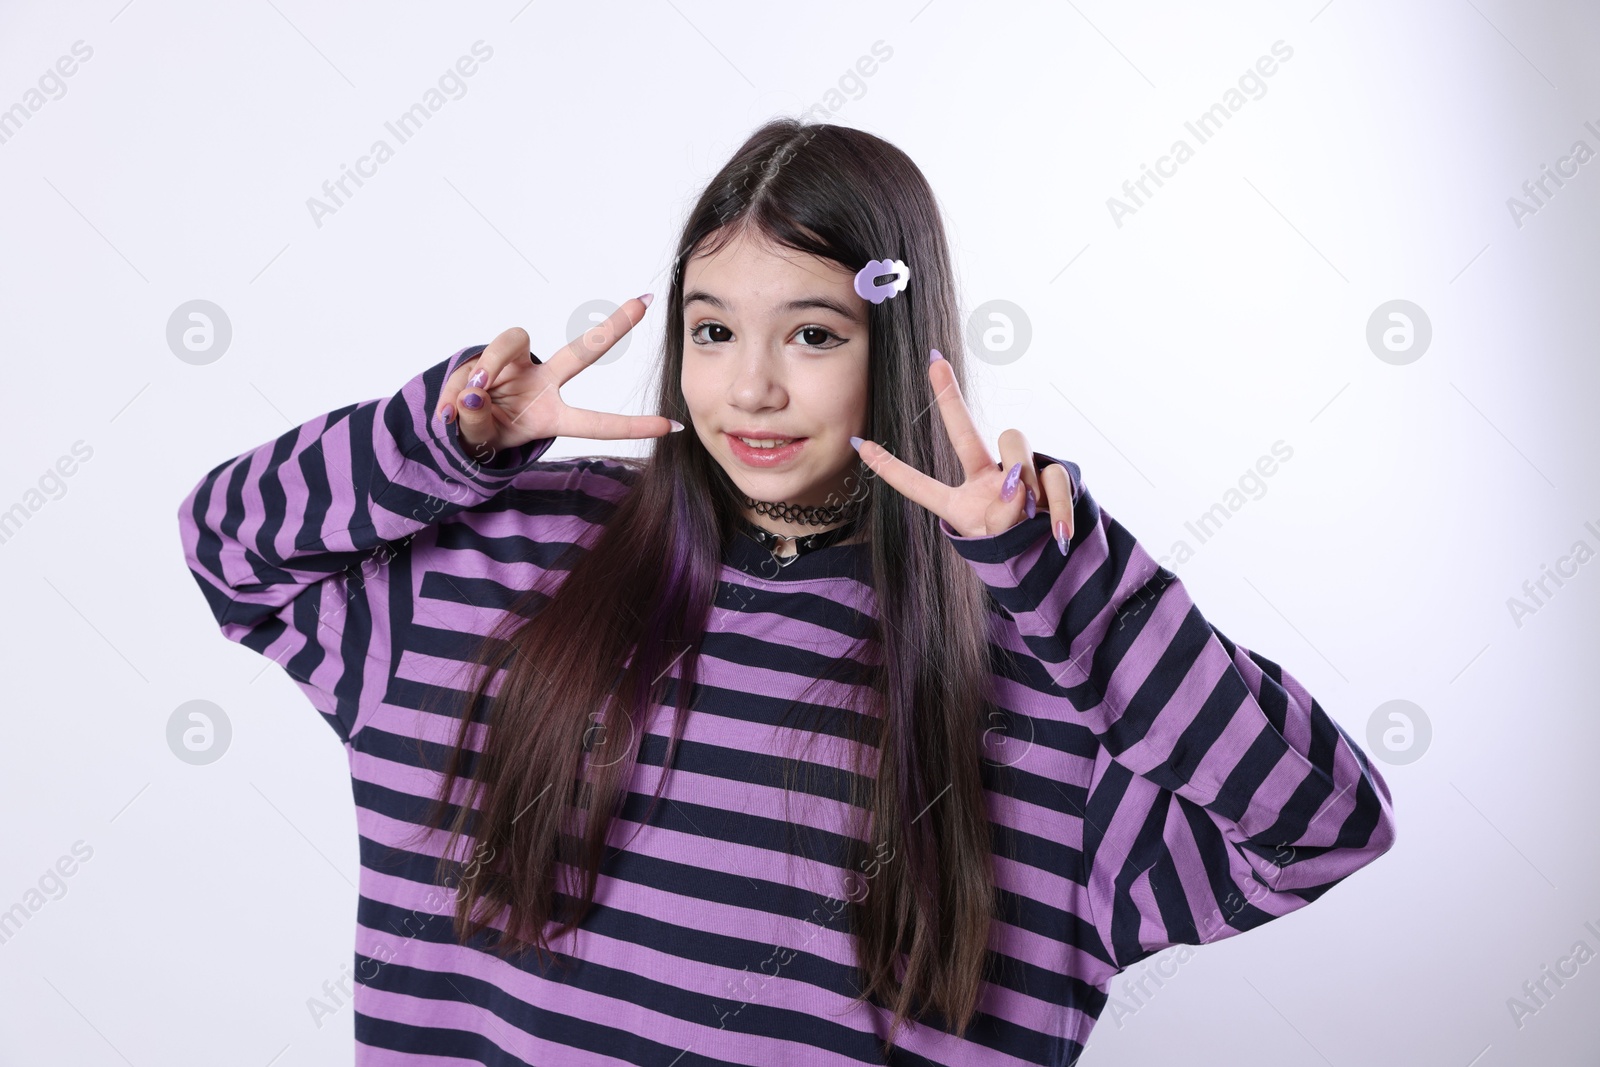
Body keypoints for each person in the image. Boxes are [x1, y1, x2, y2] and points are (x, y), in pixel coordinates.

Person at [176, 118, 1397, 1065]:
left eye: (811, 334)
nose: (749, 388)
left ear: (902, 350)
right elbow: (231, 548)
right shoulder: (500, 564)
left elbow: (1319, 824)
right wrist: (449, 441)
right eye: (713, 332)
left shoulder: (1035, 674)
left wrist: (1054, 569)